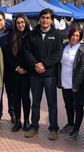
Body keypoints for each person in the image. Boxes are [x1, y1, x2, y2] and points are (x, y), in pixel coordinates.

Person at [24, 8, 63, 140]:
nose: (45, 20)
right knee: (35, 102)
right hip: (35, 74)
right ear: (39, 19)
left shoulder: (57, 34)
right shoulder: (32, 34)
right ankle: (34, 126)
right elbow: (26, 52)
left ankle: (53, 129)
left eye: (47, 18)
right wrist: (36, 65)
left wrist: (44, 64)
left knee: (52, 103)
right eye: (43, 17)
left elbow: (58, 53)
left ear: (51, 20)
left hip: (50, 75)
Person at [58, 26, 84, 140]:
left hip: (75, 83)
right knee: (68, 105)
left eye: (77, 36)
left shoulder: (82, 49)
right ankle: (70, 124)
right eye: (73, 35)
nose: (74, 38)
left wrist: (76, 84)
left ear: (80, 37)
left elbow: (82, 68)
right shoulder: (64, 46)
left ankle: (76, 130)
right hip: (65, 81)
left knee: (78, 107)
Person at [5, 14, 31, 132]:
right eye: (18, 23)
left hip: (27, 72)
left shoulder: (31, 36)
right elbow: (8, 56)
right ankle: (18, 121)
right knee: (16, 97)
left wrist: (26, 68)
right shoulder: (12, 37)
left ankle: (26, 120)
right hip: (15, 72)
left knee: (25, 97)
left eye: (22, 22)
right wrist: (17, 68)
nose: (21, 25)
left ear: (26, 23)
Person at [0, 10, 15, 123]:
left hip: (9, 68)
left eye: (0, 20)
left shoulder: (12, 33)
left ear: (5, 21)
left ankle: (13, 114)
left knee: (11, 93)